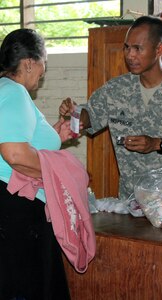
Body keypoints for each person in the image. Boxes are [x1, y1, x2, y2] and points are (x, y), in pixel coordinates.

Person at [59, 16, 162, 207]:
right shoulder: (115, 89)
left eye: (137, 48)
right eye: (127, 47)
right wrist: (75, 113)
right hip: (134, 202)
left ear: (159, 49)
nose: (129, 55)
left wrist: (157, 144)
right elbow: (90, 116)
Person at [0, 29, 72, 300]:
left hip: (12, 209)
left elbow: (19, 142)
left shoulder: (5, 91)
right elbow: (15, 155)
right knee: (25, 288)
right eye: (44, 63)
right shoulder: (15, 92)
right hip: (17, 211)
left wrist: (53, 136)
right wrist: (59, 172)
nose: (44, 71)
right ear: (29, 62)